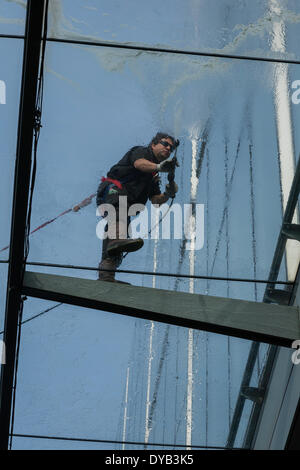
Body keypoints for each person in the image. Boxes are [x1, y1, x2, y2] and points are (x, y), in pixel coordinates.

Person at [96, 132, 180, 283]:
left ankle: (106, 276)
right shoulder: (142, 152)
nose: (168, 148)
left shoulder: (153, 175)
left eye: (171, 148)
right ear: (153, 144)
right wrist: (159, 166)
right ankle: (116, 241)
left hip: (125, 204)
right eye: (165, 144)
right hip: (114, 191)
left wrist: (168, 193)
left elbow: (155, 200)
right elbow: (139, 164)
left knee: (116, 240)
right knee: (119, 219)